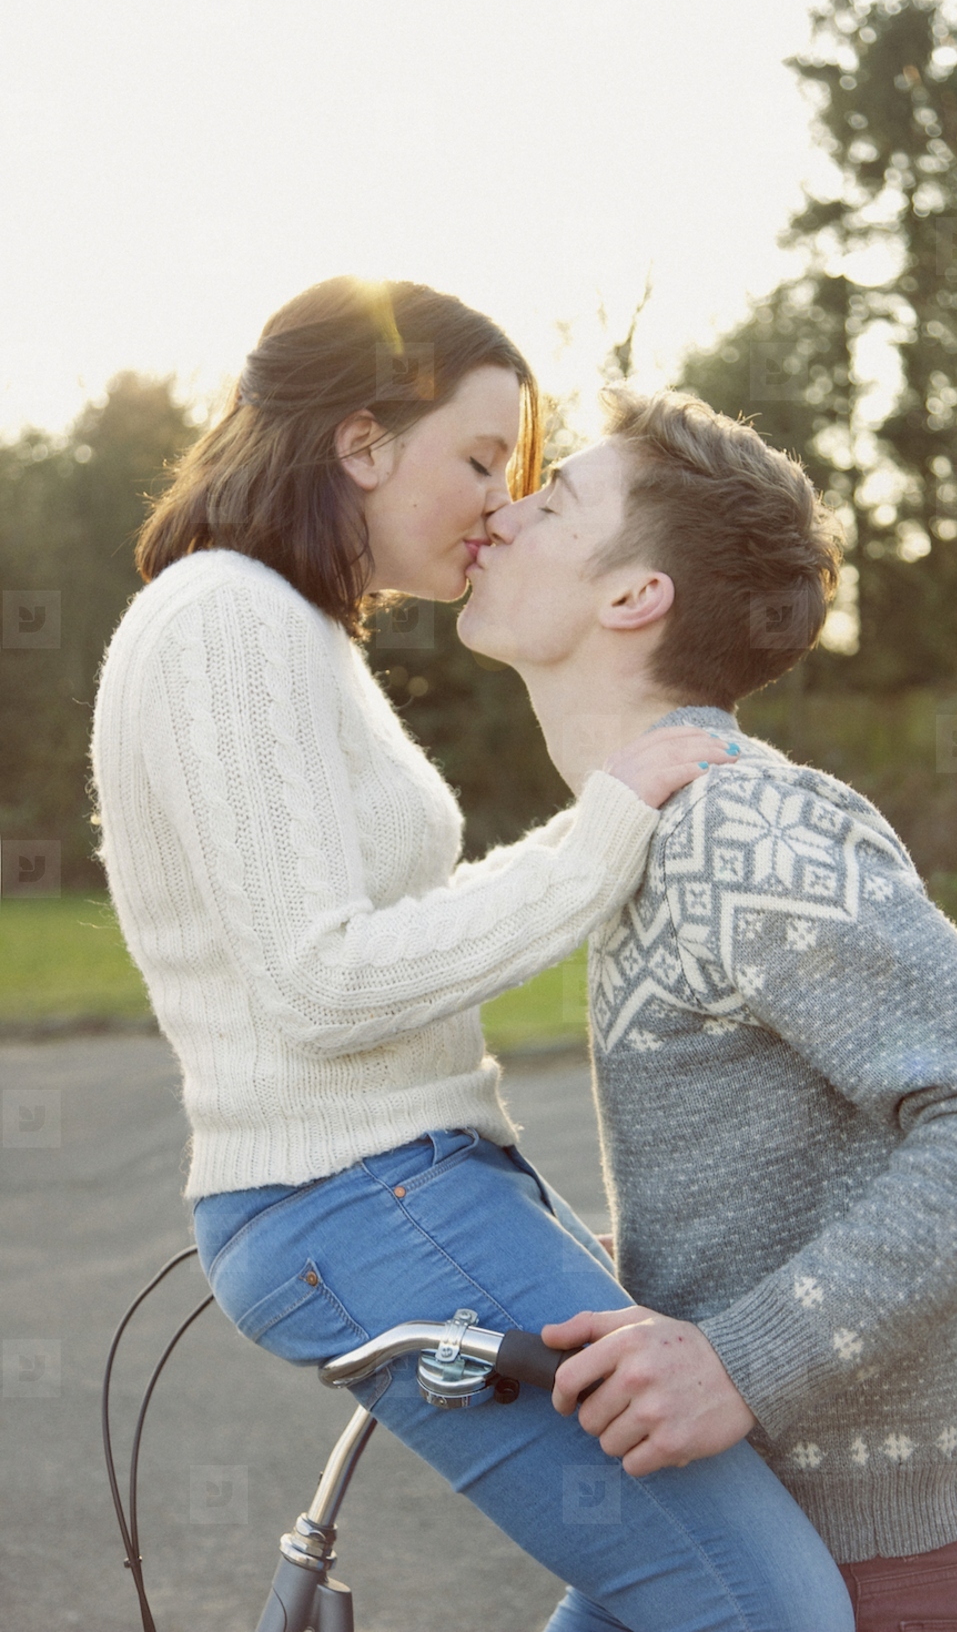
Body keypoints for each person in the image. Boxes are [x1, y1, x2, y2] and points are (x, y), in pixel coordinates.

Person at [89, 277, 856, 1632]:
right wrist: (604, 826)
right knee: (769, 1608)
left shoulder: (287, 626)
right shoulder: (225, 616)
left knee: (681, 1590)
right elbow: (319, 978)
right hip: (356, 1194)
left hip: (408, 1186)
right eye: (481, 455)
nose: (500, 500)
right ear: (363, 440)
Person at [456, 383, 957, 1632]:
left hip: (850, 1573)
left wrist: (737, 1361)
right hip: (715, 1529)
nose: (500, 510)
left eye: (550, 499)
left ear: (633, 594)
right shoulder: (645, 831)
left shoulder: (736, 823)